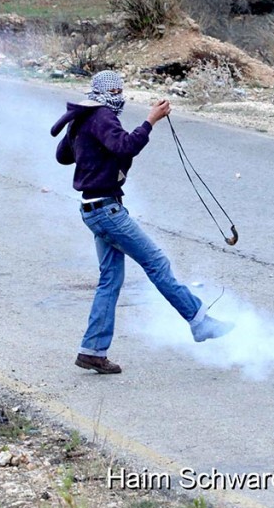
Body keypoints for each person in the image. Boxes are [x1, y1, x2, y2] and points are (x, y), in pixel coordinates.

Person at [50, 70, 233, 375]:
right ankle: (200, 321)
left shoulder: (86, 117)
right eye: (116, 90)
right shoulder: (102, 116)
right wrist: (151, 120)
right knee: (157, 263)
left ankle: (92, 350)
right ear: (105, 93)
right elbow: (126, 147)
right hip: (107, 211)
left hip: (91, 209)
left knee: (110, 280)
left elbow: (63, 156)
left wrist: (76, 127)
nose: (120, 95)